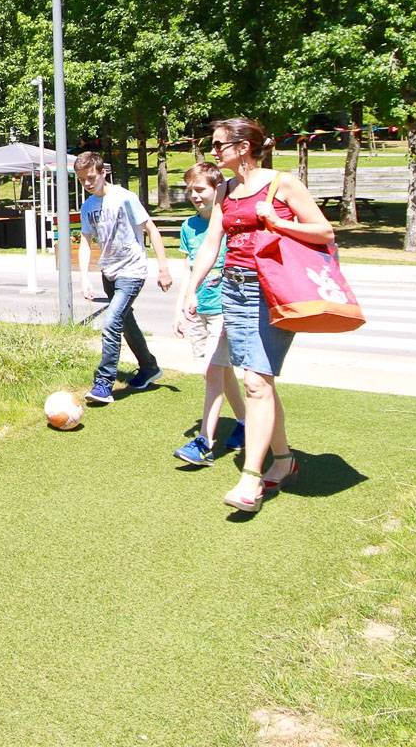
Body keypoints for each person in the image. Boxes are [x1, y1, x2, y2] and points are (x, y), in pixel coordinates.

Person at [178, 117, 336, 512]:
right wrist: (191, 290)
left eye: (218, 145)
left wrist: (278, 220)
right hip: (233, 289)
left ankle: (251, 480)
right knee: (259, 383)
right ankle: (283, 461)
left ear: (243, 147)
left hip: (271, 291)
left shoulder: (283, 184)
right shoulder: (227, 189)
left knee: (255, 383)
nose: (213, 151)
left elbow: (324, 231)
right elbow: (212, 241)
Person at [75, 152, 174, 404]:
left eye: (90, 177)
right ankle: (149, 367)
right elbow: (85, 241)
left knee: (111, 322)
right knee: (125, 322)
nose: (87, 183)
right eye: (82, 179)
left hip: (132, 271)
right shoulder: (88, 206)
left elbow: (151, 229)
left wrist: (163, 267)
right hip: (109, 272)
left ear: (102, 172)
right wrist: (84, 277)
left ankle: (103, 384)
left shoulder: (124, 198)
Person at [171, 161, 246, 466]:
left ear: (218, 189)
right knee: (222, 371)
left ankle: (204, 442)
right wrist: (179, 309)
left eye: (200, 189)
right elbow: (188, 271)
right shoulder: (188, 227)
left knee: (212, 371)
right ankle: (246, 422)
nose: (194, 195)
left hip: (224, 309)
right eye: (190, 190)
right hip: (198, 309)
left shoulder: (230, 223)